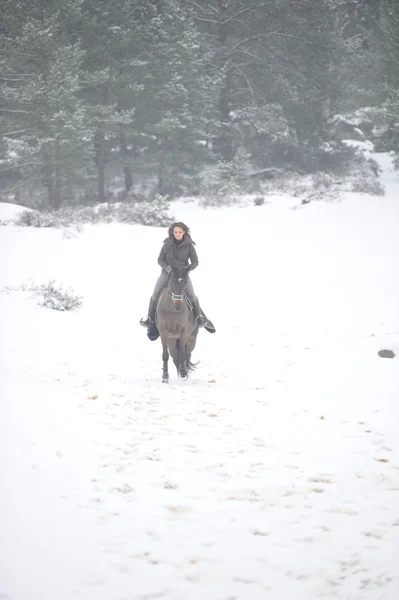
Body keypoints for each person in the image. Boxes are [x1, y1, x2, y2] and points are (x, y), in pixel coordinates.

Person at [140, 222, 215, 334]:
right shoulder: (167, 244)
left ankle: (199, 317)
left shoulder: (189, 245)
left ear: (184, 232)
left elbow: (195, 262)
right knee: (155, 293)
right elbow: (160, 260)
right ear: (172, 233)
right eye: (175, 232)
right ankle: (149, 319)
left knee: (192, 294)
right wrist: (168, 269)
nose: (178, 234)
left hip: (182, 274)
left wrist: (187, 269)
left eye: (180, 232)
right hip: (167, 273)